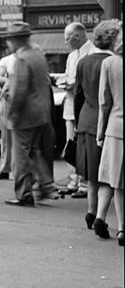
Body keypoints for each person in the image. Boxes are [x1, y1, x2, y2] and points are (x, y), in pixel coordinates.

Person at [3, 22, 58, 207]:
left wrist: (11, 113)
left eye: (9, 40)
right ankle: (46, 184)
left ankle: (24, 194)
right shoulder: (38, 55)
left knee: (21, 157)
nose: (8, 44)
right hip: (41, 113)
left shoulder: (22, 59)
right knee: (34, 152)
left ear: (16, 40)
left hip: (24, 116)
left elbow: (19, 91)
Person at [73, 20, 118, 231]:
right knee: (108, 175)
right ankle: (100, 215)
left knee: (92, 175)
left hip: (86, 121)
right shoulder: (114, 63)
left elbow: (78, 96)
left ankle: (91, 212)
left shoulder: (83, 62)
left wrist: (77, 123)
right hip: (107, 124)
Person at [58, 22, 95, 198]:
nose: (66, 43)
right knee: (70, 144)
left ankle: (85, 184)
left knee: (84, 146)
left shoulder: (93, 53)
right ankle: (73, 180)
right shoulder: (72, 56)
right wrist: (65, 82)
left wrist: (74, 84)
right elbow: (68, 75)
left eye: (67, 39)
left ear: (77, 36)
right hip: (71, 104)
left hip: (84, 106)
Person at [94, 28, 123, 245]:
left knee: (114, 178)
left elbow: (104, 102)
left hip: (115, 127)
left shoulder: (110, 64)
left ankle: (117, 226)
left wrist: (100, 132)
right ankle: (122, 228)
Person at [0, 52, 16, 180]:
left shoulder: (30, 58)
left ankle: (22, 171)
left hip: (24, 99)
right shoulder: (6, 60)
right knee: (6, 136)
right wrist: (10, 81)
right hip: (8, 99)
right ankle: (5, 169)